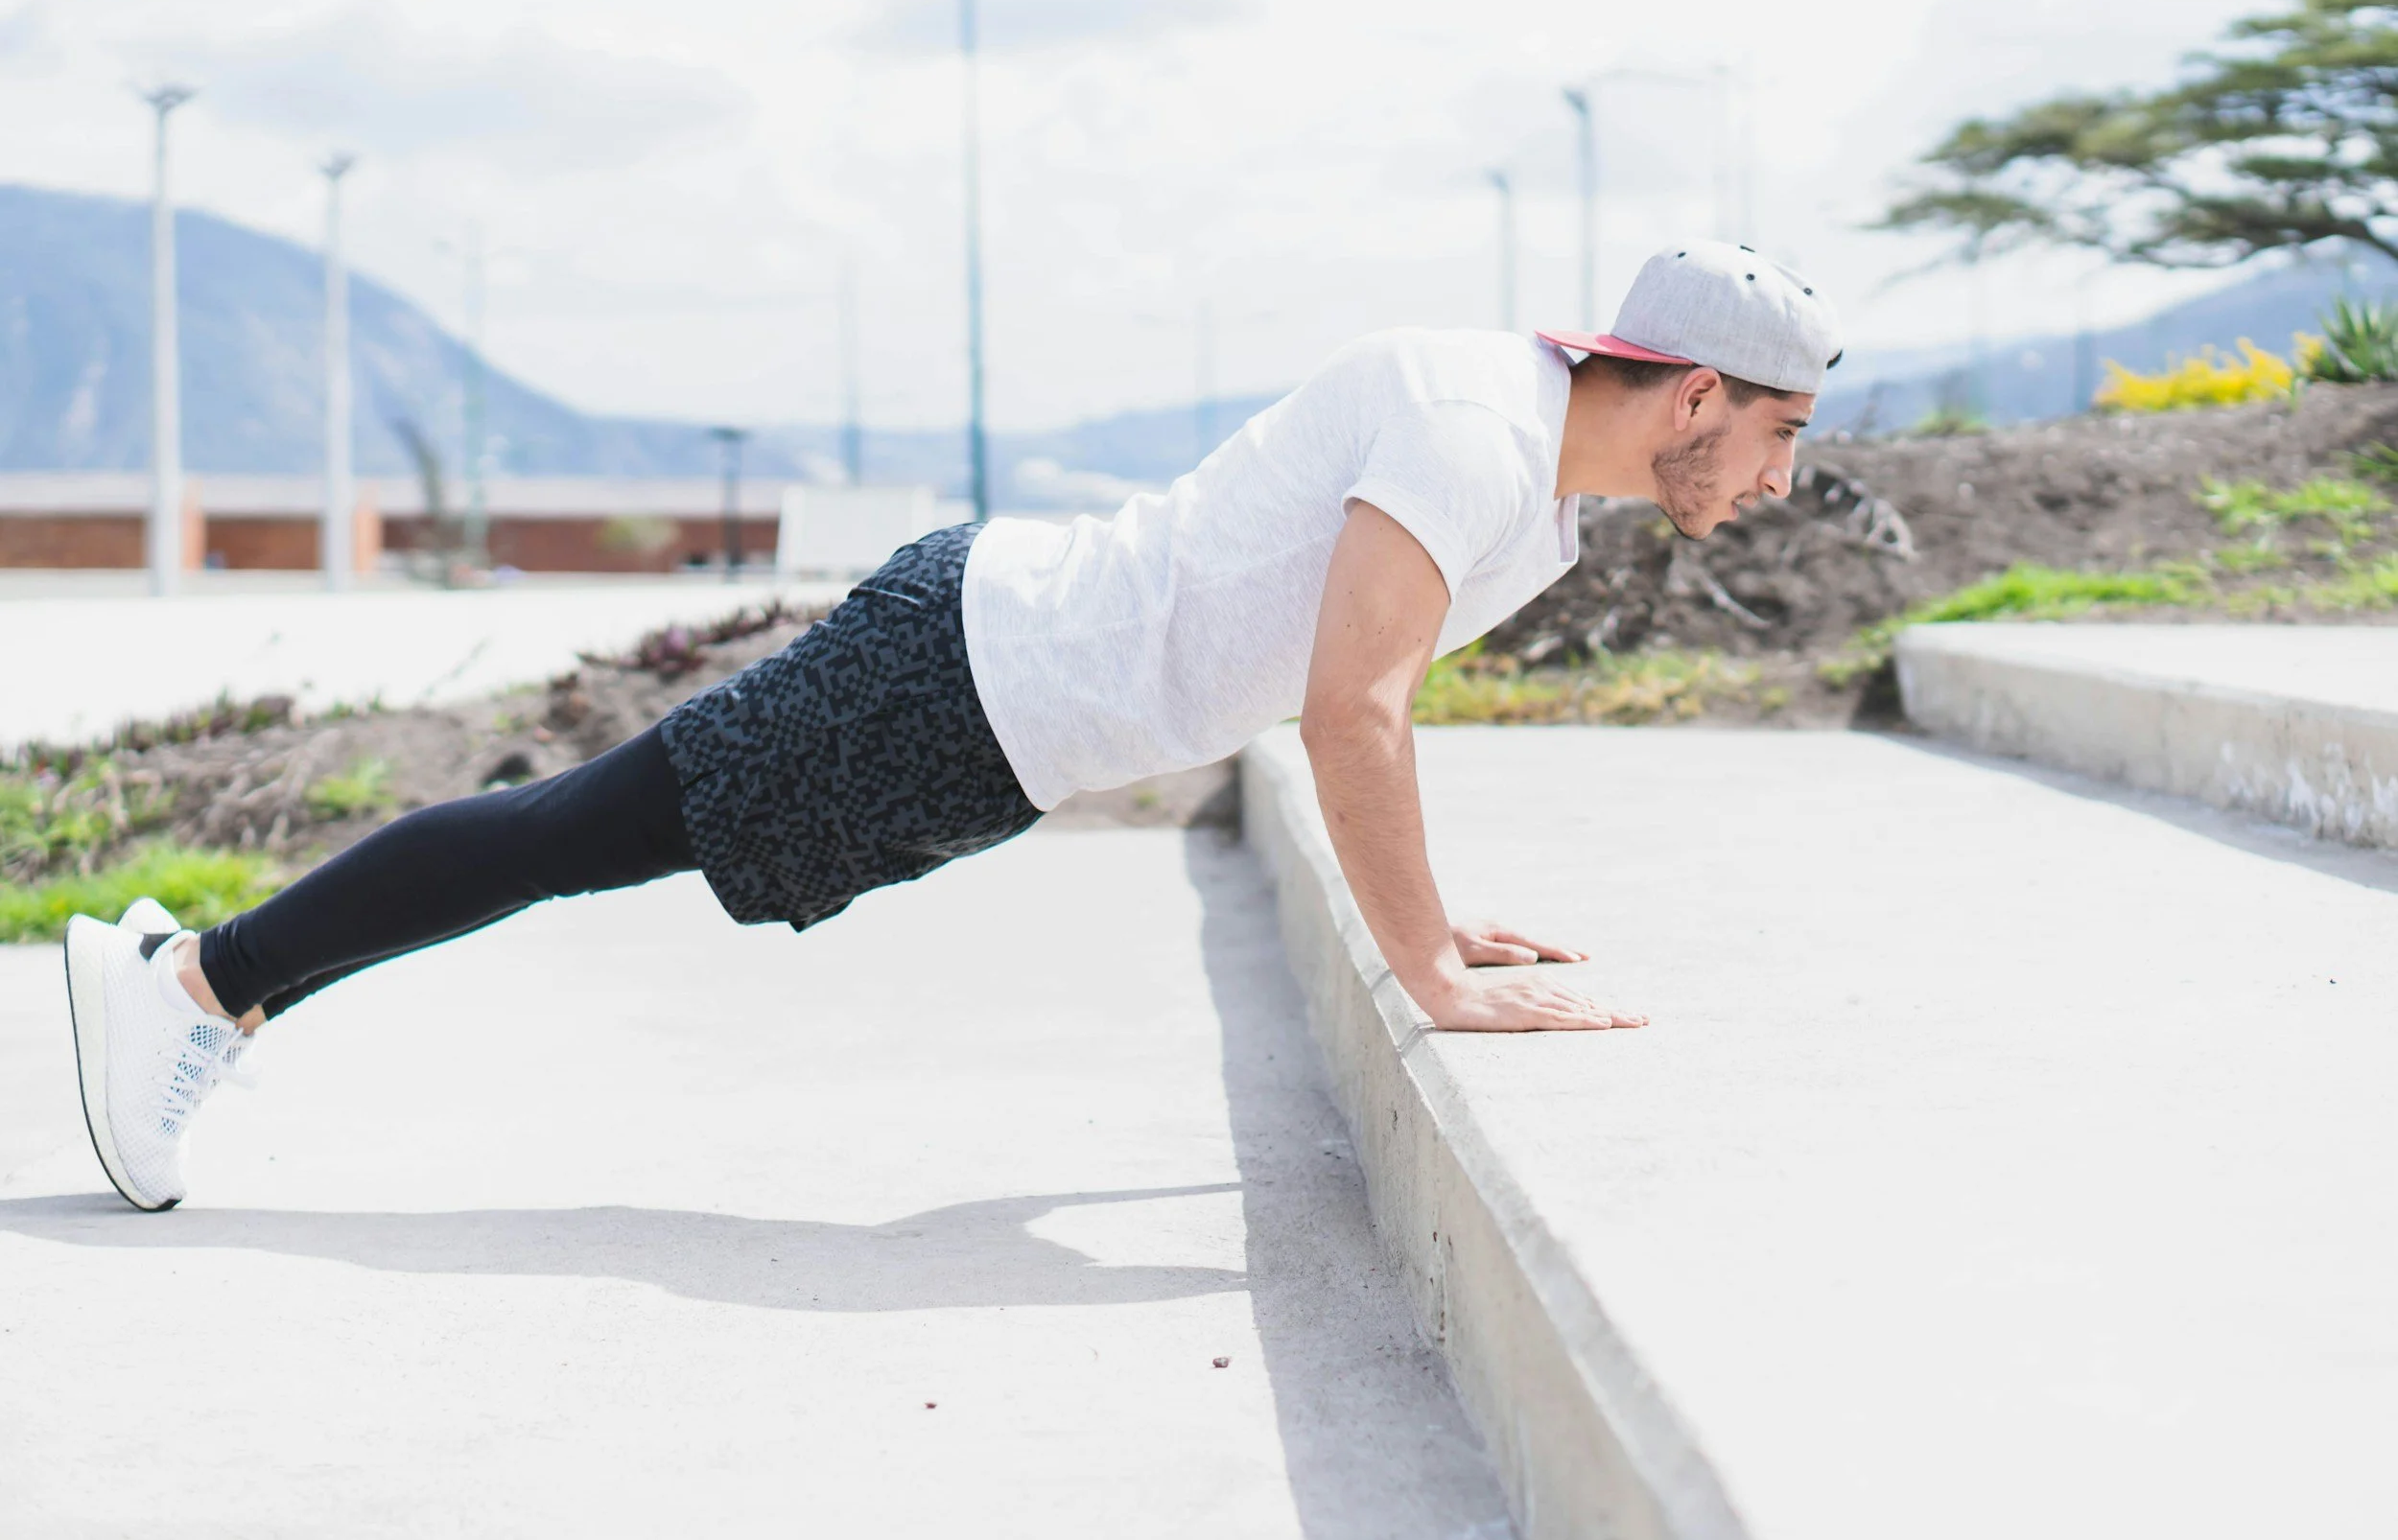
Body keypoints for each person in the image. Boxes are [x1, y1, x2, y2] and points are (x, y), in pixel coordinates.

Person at [63, 241, 1841, 1212]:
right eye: (1775, 437)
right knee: (573, 834)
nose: (1774, 478)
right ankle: (198, 985)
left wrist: (1438, 922)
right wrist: (1434, 974)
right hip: (972, 669)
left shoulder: (1534, 495)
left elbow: (1344, 692)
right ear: (1693, 390)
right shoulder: (1471, 432)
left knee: (586, 835)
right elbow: (1348, 715)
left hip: (1002, 701)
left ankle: (199, 972)